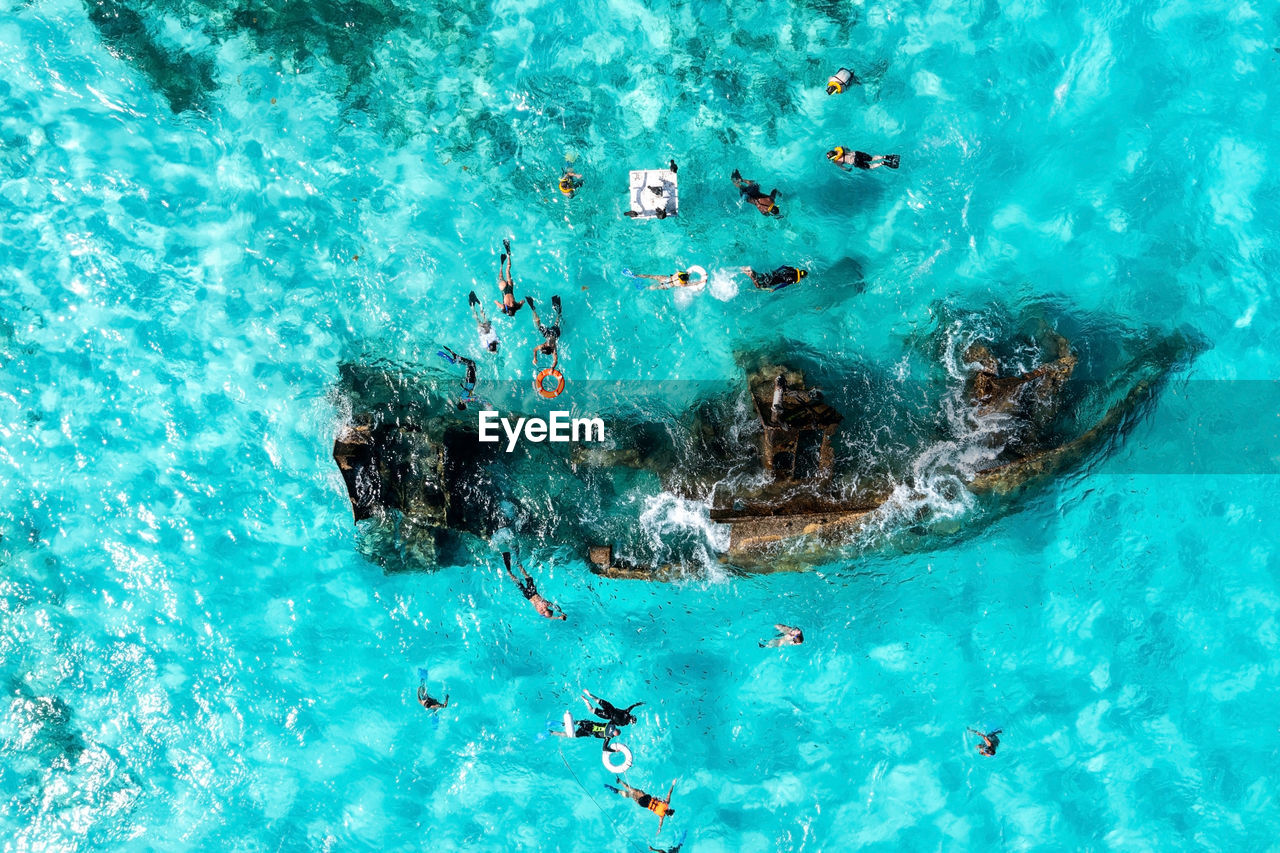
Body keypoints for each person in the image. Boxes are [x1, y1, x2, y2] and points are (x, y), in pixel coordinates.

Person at [502, 551, 566, 620]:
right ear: (547, 609)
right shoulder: (544, 607)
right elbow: (555, 609)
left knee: (523, 580)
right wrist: (560, 614)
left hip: (529, 595)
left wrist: (560, 615)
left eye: (543, 612)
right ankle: (516, 567)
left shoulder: (544, 607)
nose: (543, 610)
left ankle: (513, 569)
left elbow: (551, 614)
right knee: (524, 580)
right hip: (531, 594)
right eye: (545, 610)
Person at [603, 778, 676, 831]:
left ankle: (620, 781)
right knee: (631, 795)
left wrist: (672, 784)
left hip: (647, 798)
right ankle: (618, 791)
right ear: (667, 814)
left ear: (670, 808)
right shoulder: (662, 815)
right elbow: (660, 823)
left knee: (631, 789)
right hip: (643, 804)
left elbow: (669, 793)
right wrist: (659, 829)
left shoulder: (666, 803)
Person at [436, 346, 484, 410]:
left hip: (470, 380)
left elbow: (476, 398)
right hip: (469, 380)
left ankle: (455, 358)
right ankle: (454, 358)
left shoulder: (464, 400)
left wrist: (485, 403)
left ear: (464, 405)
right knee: (469, 364)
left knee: (471, 363)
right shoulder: (460, 398)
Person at [527, 294, 562, 368]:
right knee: (539, 326)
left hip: (553, 333)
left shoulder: (553, 349)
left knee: (556, 322)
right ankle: (533, 309)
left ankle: (534, 309)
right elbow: (535, 350)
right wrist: (535, 358)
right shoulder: (551, 348)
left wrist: (535, 358)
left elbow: (555, 360)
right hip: (551, 333)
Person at [493, 239, 525, 316]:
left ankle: (508, 255)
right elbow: (495, 301)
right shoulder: (504, 307)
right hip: (503, 289)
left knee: (507, 270)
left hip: (510, 288)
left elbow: (523, 301)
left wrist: (519, 305)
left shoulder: (517, 306)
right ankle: (501, 265)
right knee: (500, 277)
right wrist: (502, 308)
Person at [550, 716, 620, 751]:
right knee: (571, 735)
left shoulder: (610, 724)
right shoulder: (608, 737)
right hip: (587, 731)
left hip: (588, 723)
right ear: (613, 735)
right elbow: (604, 748)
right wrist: (614, 751)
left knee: (575, 722)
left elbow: (614, 718)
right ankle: (552, 732)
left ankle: (561, 724)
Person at [826, 147, 900, 171]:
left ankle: (883, 163)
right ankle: (887, 157)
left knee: (870, 166)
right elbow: (848, 148)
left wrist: (848, 170)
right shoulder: (840, 149)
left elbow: (843, 168)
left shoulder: (837, 162)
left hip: (855, 161)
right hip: (857, 154)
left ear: (833, 158)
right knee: (871, 158)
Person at [742, 266, 808, 292]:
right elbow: (784, 284)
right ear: (801, 277)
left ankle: (747, 270)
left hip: (774, 274)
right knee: (759, 286)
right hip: (774, 281)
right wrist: (775, 289)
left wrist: (776, 271)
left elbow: (783, 266)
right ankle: (749, 272)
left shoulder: (793, 270)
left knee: (761, 276)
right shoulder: (794, 280)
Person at [627, 269, 697, 290]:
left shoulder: (678, 273)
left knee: (650, 276)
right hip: (666, 286)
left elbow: (678, 271)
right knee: (653, 287)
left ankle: (635, 275)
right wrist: (701, 281)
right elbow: (692, 284)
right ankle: (645, 287)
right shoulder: (682, 284)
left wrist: (687, 272)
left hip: (664, 278)